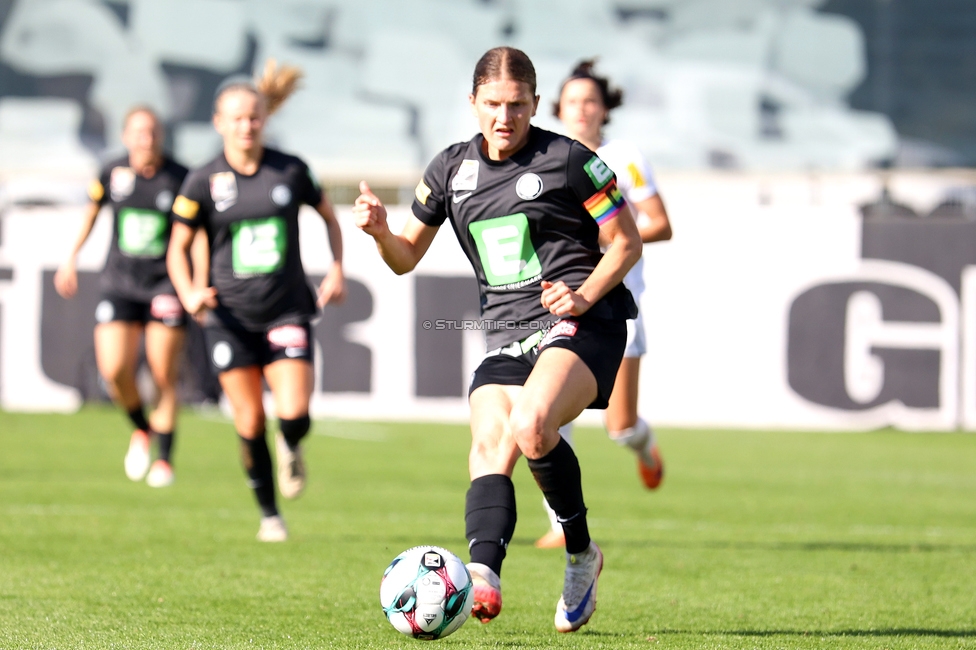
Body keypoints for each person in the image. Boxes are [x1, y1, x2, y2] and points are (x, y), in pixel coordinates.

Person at [354, 47, 641, 632]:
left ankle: (581, 555)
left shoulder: (569, 160)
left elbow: (626, 242)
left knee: (531, 425)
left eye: (516, 105)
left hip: (583, 320)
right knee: (489, 445)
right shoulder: (449, 170)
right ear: (472, 102)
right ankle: (482, 574)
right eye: (492, 104)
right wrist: (382, 232)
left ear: (536, 103)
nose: (503, 117)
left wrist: (583, 295)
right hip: (508, 332)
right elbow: (405, 257)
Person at [167, 61, 346, 542]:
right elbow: (177, 248)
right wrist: (188, 291)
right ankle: (270, 515)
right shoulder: (202, 181)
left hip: (286, 309)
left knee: (294, 414)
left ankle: (291, 444)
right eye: (237, 118)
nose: (246, 126)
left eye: (253, 117)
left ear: (265, 119)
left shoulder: (290, 169)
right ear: (218, 123)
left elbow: (329, 218)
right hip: (228, 318)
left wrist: (336, 267)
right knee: (248, 420)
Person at [535, 60, 674, 549]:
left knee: (620, 426)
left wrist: (608, 240)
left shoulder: (623, 157)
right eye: (572, 102)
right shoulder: (546, 158)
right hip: (559, 302)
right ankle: (560, 522)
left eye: (590, 101)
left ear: (605, 109)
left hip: (617, 304)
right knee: (550, 413)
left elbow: (660, 224)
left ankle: (645, 446)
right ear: (558, 109)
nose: (581, 110)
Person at [54, 106, 205, 488]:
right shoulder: (112, 172)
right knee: (114, 371)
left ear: (161, 136)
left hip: (165, 285)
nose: (146, 139)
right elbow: (91, 212)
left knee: (162, 372)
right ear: (125, 136)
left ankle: (165, 460)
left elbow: (198, 233)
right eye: (139, 132)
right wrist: (71, 257)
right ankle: (141, 427)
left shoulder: (181, 177)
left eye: (152, 131)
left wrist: (195, 283)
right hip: (119, 284)